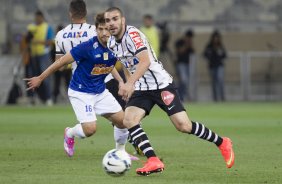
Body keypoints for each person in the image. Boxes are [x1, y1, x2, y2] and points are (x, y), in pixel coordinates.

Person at [104, 7, 235, 176]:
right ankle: (153, 160)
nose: (111, 23)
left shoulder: (133, 35)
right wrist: (129, 84)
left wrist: (129, 83)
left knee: (183, 125)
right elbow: (128, 64)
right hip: (142, 88)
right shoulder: (111, 43)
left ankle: (222, 142)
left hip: (161, 85)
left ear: (123, 20)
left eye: (115, 19)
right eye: (108, 21)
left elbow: (144, 61)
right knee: (129, 119)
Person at [24, 11, 134, 160]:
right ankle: (69, 133)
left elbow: (109, 63)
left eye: (106, 29)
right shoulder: (87, 47)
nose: (104, 33)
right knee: (90, 130)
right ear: (96, 30)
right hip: (81, 92)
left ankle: (120, 153)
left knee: (123, 122)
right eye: (100, 29)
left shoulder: (115, 46)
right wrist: (40, 77)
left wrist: (121, 81)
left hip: (100, 92)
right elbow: (61, 62)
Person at [26, 10, 54, 105]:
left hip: (44, 55)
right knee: (32, 76)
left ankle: (48, 98)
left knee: (45, 77)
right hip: (33, 55)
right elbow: (26, 39)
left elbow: (50, 41)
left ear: (42, 18)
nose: (37, 19)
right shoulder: (31, 27)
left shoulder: (47, 27)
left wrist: (38, 42)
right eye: (36, 18)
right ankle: (34, 97)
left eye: (39, 17)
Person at [203, 30, 227, 102]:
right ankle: (215, 98)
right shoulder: (209, 46)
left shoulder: (221, 46)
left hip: (219, 66)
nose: (216, 39)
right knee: (214, 82)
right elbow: (205, 54)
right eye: (215, 37)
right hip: (212, 66)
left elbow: (224, 55)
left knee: (220, 80)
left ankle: (222, 97)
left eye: (217, 37)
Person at [51, 24, 72, 104]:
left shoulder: (57, 41)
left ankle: (57, 99)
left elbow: (53, 54)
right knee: (60, 83)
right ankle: (55, 98)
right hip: (63, 66)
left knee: (64, 83)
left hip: (63, 66)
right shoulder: (66, 41)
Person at [174, 29, 195, 101]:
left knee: (185, 82)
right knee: (183, 80)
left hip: (187, 64)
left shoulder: (190, 44)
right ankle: (180, 96)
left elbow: (193, 51)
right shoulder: (179, 42)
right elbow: (180, 51)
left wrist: (190, 45)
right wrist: (186, 44)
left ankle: (181, 96)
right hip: (180, 64)